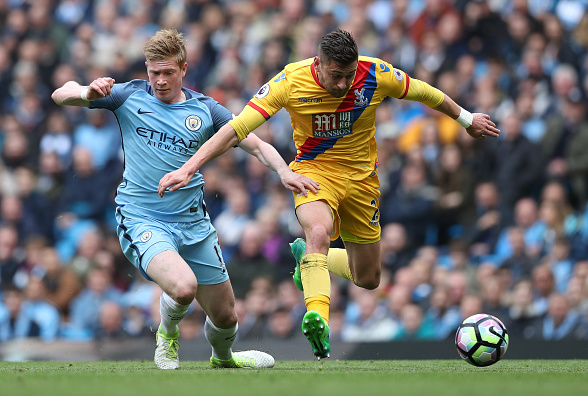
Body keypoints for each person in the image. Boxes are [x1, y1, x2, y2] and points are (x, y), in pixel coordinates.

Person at [157, 29, 500, 359]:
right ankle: (317, 316)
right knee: (318, 231)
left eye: (348, 75)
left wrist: (466, 118)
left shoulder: (375, 73)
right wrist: (189, 168)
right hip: (314, 174)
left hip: (363, 181)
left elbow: (424, 92)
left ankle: (307, 258)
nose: (342, 84)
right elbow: (237, 128)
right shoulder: (291, 81)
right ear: (318, 63)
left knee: (368, 278)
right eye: (335, 75)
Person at [52, 29, 317, 369]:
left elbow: (256, 144)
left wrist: (284, 172)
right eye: (154, 73)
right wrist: (87, 91)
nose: (160, 81)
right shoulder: (128, 95)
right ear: (146, 69)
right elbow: (62, 94)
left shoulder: (206, 110)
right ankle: (166, 336)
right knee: (183, 287)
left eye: (168, 73)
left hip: (193, 224)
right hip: (142, 217)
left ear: (184, 69)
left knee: (226, 317)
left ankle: (224, 359)